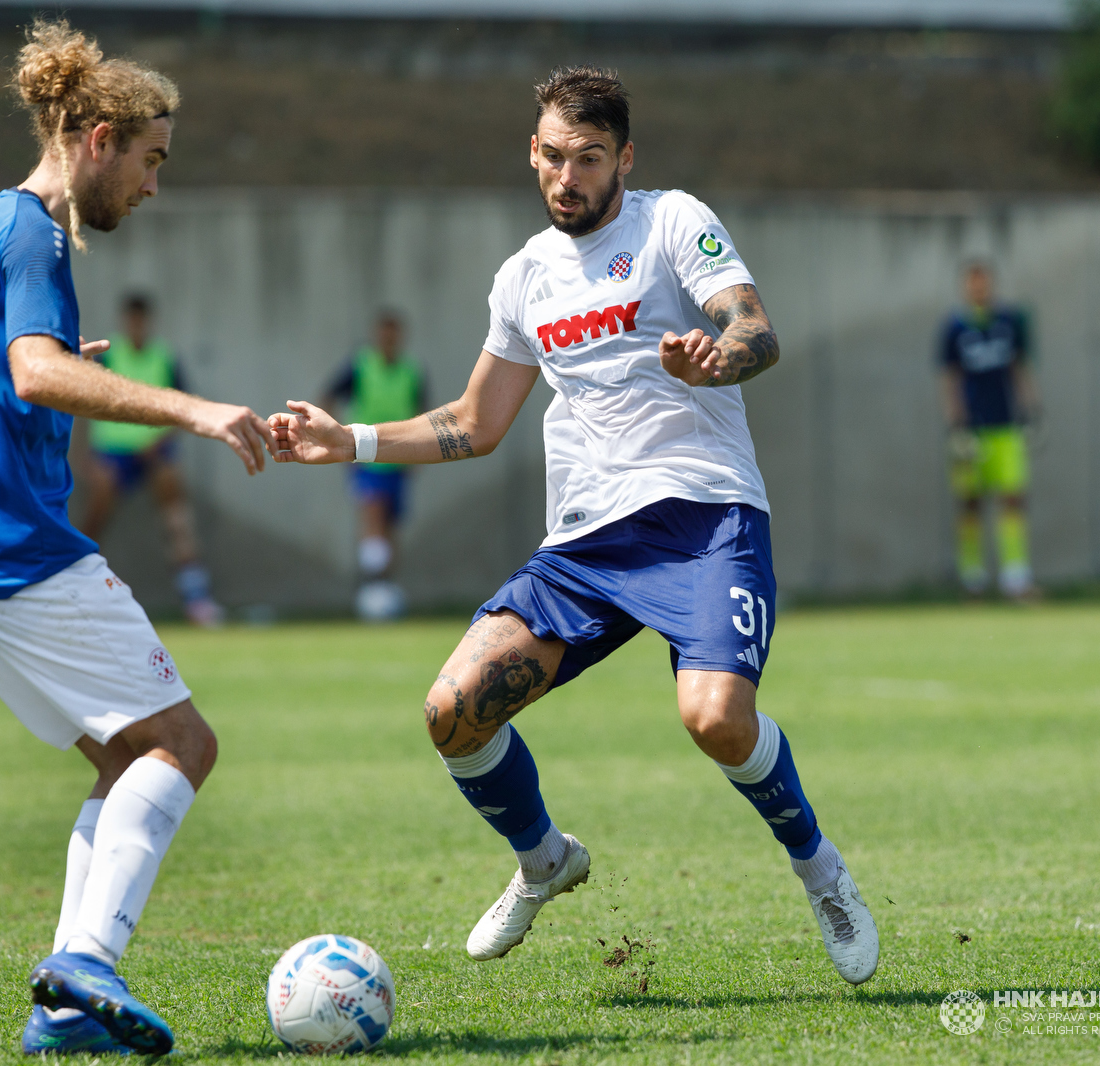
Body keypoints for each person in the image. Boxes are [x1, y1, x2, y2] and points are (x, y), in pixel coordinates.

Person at [270, 67, 879, 986]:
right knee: (451, 716)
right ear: (533, 154)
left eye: (589, 158)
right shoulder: (524, 277)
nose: (568, 177)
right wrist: (347, 440)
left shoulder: (673, 222)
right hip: (584, 548)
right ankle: (544, 860)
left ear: (624, 159)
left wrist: (717, 360)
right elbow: (475, 424)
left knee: (715, 718)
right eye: (553, 157)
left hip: (702, 516)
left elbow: (756, 329)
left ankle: (822, 872)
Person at [0, 21, 274, 1055]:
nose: (153, 186)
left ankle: (62, 1009)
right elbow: (39, 375)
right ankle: (87, 962)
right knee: (184, 745)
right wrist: (194, 410)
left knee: (124, 754)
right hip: (10, 544)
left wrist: (12, 338)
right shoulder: (37, 232)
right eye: (151, 161)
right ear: (98, 138)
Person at [78, 293, 223, 626]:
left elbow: (185, 407)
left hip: (155, 452)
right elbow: (80, 403)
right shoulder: (108, 354)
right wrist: (86, 456)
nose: (136, 327)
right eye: (132, 320)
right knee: (95, 516)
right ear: (125, 321)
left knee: (176, 514)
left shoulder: (164, 357)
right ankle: (76, 586)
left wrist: (160, 440)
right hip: (112, 455)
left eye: (141, 320)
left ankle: (196, 596)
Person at [939, 260, 1039, 600]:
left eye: (983, 283)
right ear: (965, 287)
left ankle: (1016, 577)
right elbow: (949, 379)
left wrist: (1033, 412)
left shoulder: (1010, 321)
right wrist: (956, 425)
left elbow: (1020, 368)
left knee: (1012, 499)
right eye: (972, 284)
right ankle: (973, 580)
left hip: (1006, 426)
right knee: (969, 503)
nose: (978, 289)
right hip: (972, 429)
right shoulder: (954, 327)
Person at [318, 310, 428, 620]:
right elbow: (328, 396)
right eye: (384, 334)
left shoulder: (412, 370)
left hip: (400, 458)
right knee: (373, 518)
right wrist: (337, 439)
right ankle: (372, 588)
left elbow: (422, 409)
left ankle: (386, 587)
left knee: (391, 527)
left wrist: (420, 452)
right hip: (365, 458)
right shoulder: (360, 366)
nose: (389, 341)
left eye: (394, 335)